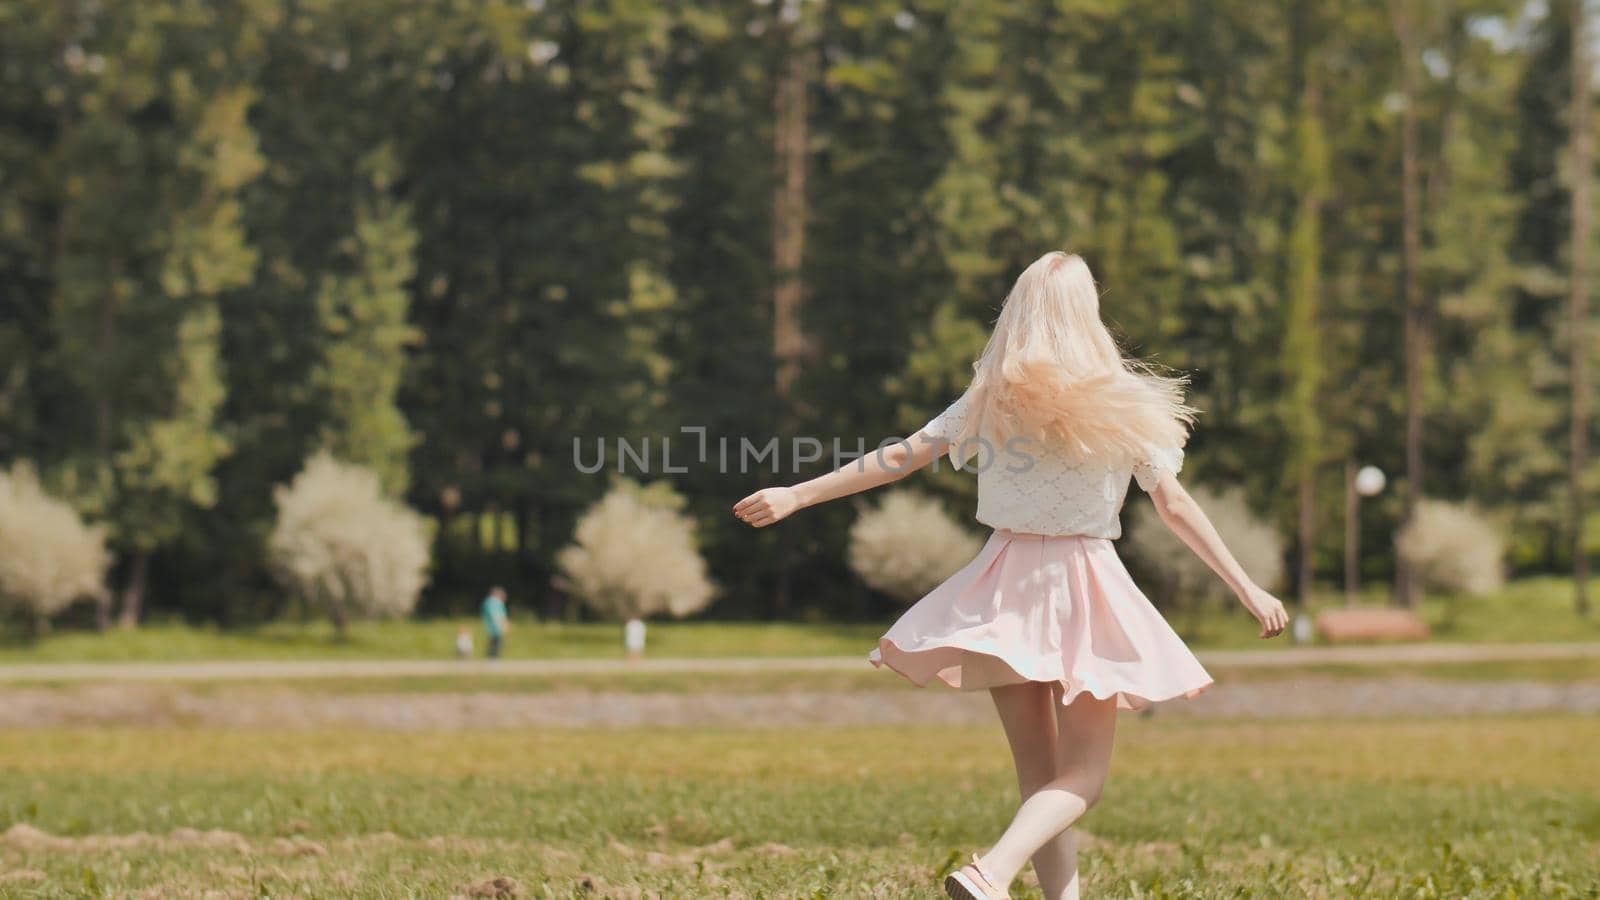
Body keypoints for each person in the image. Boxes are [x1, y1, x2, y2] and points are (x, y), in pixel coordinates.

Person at [733, 252, 1287, 900]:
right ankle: (991, 871)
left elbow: (902, 456)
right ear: (1089, 316)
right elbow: (1174, 504)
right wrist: (1246, 586)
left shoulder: (992, 399)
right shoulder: (1123, 405)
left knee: (1040, 780)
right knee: (1081, 778)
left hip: (1005, 588)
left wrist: (799, 494)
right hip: (1086, 585)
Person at [481, 586, 509, 659]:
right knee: (496, 643)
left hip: (494, 626)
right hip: (495, 627)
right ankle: (492, 658)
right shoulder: (493, 602)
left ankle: (492, 658)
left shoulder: (490, 602)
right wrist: (503, 625)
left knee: (495, 643)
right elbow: (496, 615)